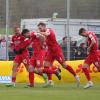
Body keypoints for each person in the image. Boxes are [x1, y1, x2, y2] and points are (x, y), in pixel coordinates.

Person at [37, 22, 80, 87]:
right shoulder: (43, 34)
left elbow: (46, 33)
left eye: (40, 28)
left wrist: (38, 33)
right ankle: (50, 81)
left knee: (64, 65)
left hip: (57, 51)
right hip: (50, 52)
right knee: (46, 65)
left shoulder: (49, 30)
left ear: (44, 26)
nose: (39, 29)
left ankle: (76, 76)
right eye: (39, 28)